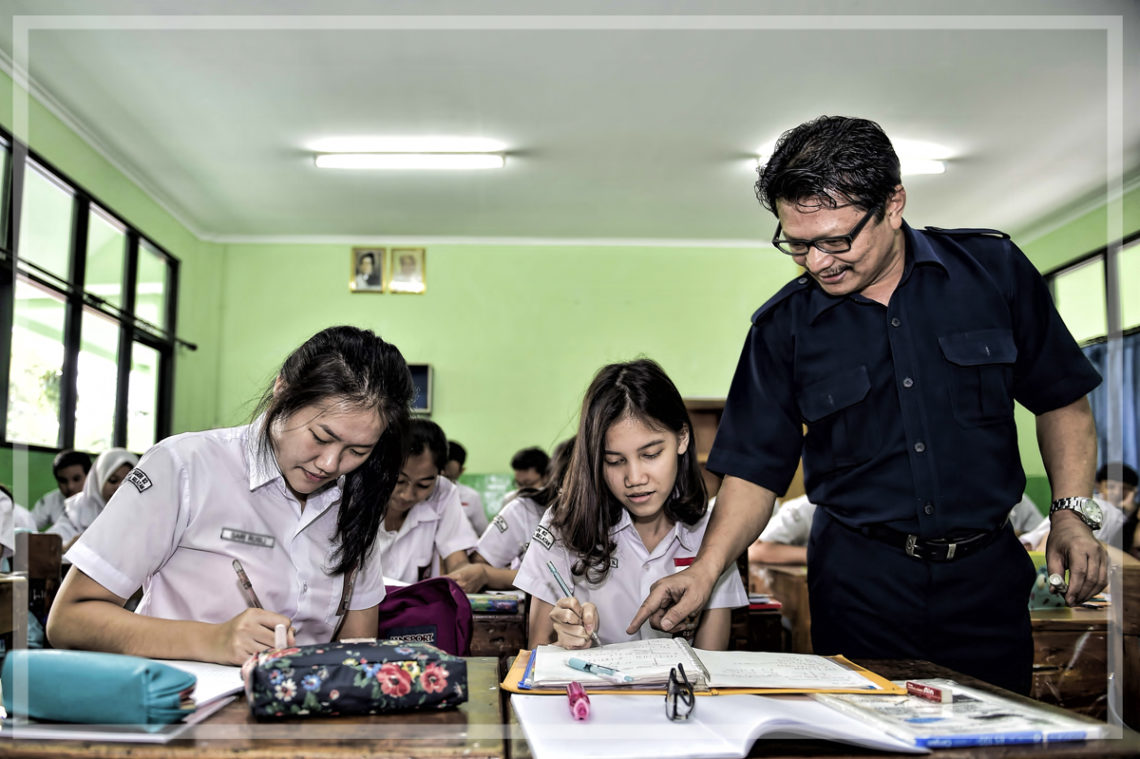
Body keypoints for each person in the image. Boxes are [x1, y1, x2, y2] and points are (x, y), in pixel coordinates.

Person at [628, 116, 1106, 694]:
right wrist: (707, 570)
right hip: (860, 585)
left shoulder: (993, 274)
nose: (818, 262)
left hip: (986, 578)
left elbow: (1062, 402)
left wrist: (1072, 515)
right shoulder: (784, 328)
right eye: (797, 245)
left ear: (894, 203)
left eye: (836, 239)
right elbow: (753, 474)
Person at [46, 326, 414, 664]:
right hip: (180, 711)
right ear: (282, 390)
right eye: (320, 437)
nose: (332, 464)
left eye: (358, 451)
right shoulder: (185, 466)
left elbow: (357, 652)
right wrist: (213, 640)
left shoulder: (357, 494)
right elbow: (69, 620)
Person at [515, 359, 747, 650]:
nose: (635, 478)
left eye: (651, 454)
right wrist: (564, 644)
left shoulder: (713, 532)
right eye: (615, 461)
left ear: (682, 438)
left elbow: (711, 664)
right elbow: (538, 652)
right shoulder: (564, 524)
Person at [750, 492, 1045, 565]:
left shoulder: (1011, 500)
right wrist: (821, 554)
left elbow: (1033, 542)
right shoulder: (805, 509)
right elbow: (757, 550)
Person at [451, 437, 574, 592]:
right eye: (519, 483)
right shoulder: (521, 506)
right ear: (556, 479)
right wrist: (498, 575)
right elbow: (479, 564)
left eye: (528, 484)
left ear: (546, 476)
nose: (521, 489)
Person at [380, 419, 479, 587]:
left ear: (439, 474)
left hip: (413, 607)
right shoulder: (355, 492)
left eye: (423, 485)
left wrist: (462, 576)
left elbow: (457, 559)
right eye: (399, 481)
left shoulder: (443, 493)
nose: (407, 495)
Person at [1020, 462, 1136, 552]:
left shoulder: (1129, 515)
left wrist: (1132, 510)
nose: (1116, 493)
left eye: (1124, 489)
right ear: (1098, 485)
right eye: (1111, 487)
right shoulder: (1092, 502)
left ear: (1133, 491)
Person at [45, 448, 139, 552]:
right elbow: (49, 542)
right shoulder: (78, 509)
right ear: (99, 480)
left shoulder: (144, 511)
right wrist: (66, 547)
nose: (119, 487)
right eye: (113, 480)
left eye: (128, 481)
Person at [30, 449, 92, 530]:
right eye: (63, 481)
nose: (70, 486)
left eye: (76, 479)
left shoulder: (101, 501)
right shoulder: (51, 500)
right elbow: (29, 524)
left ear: (90, 477)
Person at [443, 440, 488, 535]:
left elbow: (483, 531)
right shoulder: (422, 494)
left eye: (449, 477)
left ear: (461, 471)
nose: (444, 481)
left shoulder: (471, 496)